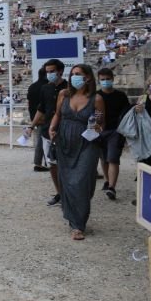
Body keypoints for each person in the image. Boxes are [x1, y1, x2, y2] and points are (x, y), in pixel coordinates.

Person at [49, 64, 104, 241]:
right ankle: (74, 217)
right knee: (67, 181)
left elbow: (101, 122)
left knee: (81, 181)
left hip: (88, 143)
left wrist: (97, 126)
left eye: (78, 74)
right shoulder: (64, 94)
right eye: (72, 74)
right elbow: (58, 114)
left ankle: (78, 225)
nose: (74, 77)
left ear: (88, 77)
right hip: (65, 142)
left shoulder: (96, 99)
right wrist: (52, 128)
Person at [28, 59, 69, 206]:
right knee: (52, 164)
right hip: (47, 132)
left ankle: (69, 193)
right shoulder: (45, 88)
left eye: (52, 71)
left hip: (66, 131)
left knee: (67, 164)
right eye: (48, 72)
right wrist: (31, 126)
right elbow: (41, 109)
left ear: (60, 71)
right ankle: (60, 193)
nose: (50, 74)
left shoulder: (69, 88)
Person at [96, 68, 131, 200]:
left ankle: (112, 187)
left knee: (113, 158)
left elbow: (127, 113)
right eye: (102, 79)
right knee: (104, 158)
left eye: (107, 79)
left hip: (116, 131)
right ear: (99, 80)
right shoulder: (96, 95)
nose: (105, 81)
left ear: (113, 79)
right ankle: (107, 180)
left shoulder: (121, 96)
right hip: (99, 131)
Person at [27, 66, 48, 172]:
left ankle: (39, 162)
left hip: (34, 116)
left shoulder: (32, 86)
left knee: (39, 140)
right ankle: (40, 163)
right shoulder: (47, 86)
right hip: (45, 116)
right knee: (43, 140)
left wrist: (32, 117)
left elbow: (29, 103)